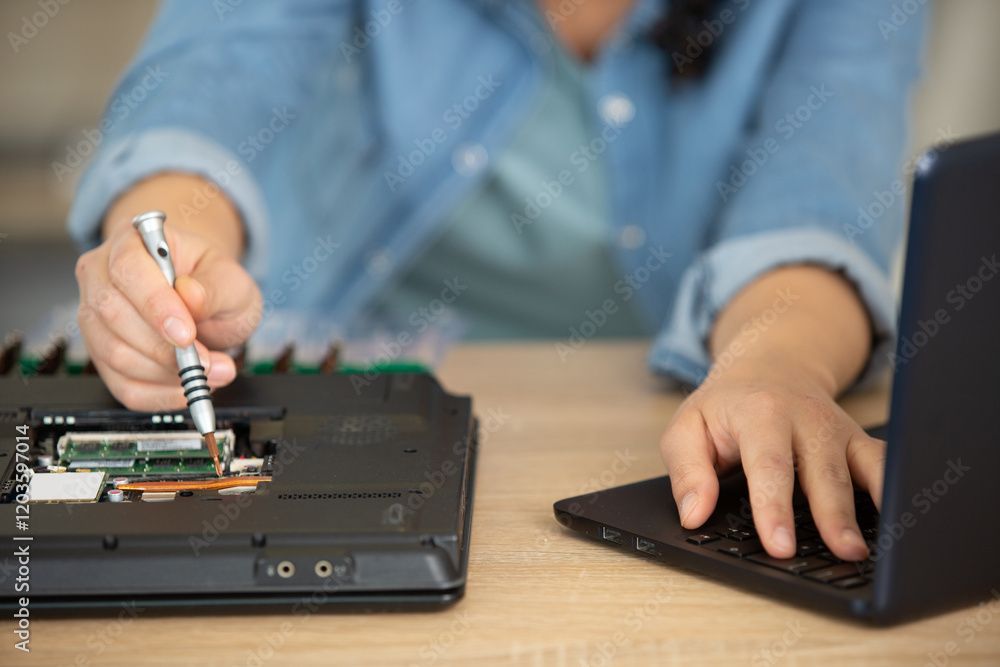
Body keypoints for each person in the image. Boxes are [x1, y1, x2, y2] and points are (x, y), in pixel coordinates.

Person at [69, 0, 927, 561]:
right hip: (338, 369)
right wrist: (170, 240)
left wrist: (779, 363)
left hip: (644, 412)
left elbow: (824, 194)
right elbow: (213, 72)